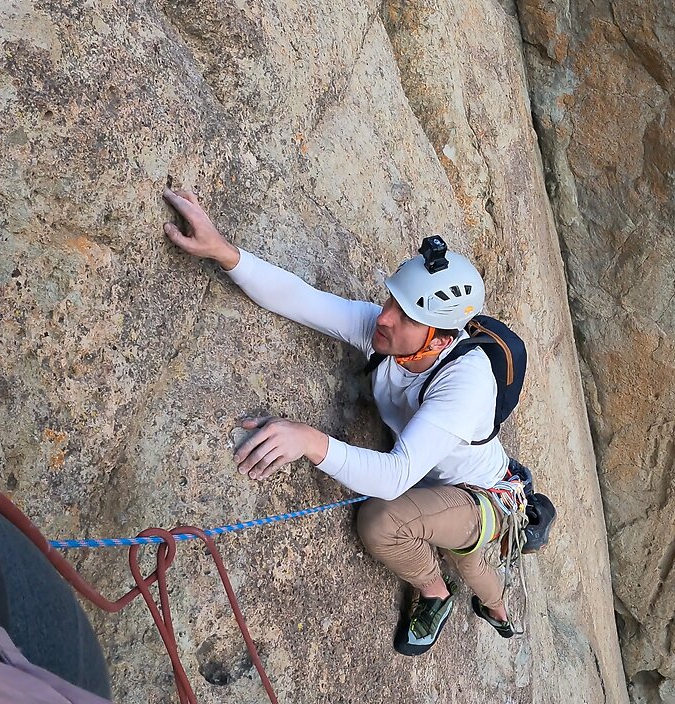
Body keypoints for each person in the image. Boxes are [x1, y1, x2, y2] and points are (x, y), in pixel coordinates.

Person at [161, 188, 516, 655]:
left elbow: (394, 479)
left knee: (396, 528)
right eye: (389, 302)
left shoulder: (464, 386)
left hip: (481, 495)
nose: (384, 318)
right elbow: (301, 300)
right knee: (452, 544)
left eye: (403, 314)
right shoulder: (391, 336)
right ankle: (475, 593)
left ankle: (471, 602)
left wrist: (309, 440)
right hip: (435, 478)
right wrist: (224, 252)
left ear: (438, 337)